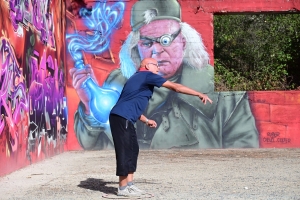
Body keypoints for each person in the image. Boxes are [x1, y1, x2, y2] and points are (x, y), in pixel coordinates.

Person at [70, 0, 259, 150]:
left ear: (184, 42)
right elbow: (91, 146)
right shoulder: (116, 83)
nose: (156, 50)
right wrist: (89, 107)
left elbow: (244, 156)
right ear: (136, 49)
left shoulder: (225, 94)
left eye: (165, 40)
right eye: (146, 43)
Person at [109, 58, 212, 197]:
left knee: (133, 149)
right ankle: (122, 188)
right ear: (147, 66)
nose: (158, 69)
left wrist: (145, 120)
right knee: (126, 150)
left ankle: (130, 185)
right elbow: (175, 87)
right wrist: (198, 93)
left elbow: (131, 103)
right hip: (122, 117)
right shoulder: (147, 75)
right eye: (156, 65)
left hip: (123, 117)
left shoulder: (136, 78)